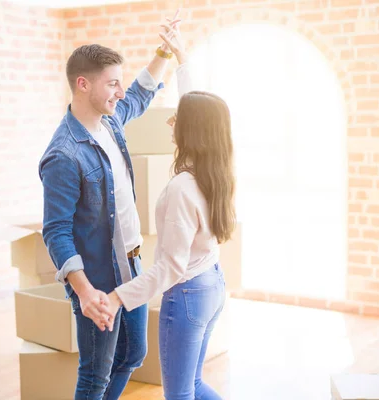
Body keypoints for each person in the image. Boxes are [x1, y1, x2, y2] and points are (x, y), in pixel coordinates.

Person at [38, 13, 187, 400]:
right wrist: (85, 292)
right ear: (83, 84)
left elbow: (138, 93)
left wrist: (163, 52)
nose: (119, 92)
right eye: (112, 83)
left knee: (133, 353)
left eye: (119, 82)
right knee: (95, 375)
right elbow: (55, 231)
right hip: (98, 280)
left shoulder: (109, 122)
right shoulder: (63, 155)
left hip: (132, 264)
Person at [106, 24, 237, 400]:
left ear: (193, 131)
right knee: (194, 385)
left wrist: (118, 298)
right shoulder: (218, 171)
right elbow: (200, 108)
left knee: (179, 394)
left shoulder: (183, 187)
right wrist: (180, 56)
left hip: (188, 295)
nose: (170, 121)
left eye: (178, 119)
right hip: (212, 284)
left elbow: (170, 268)